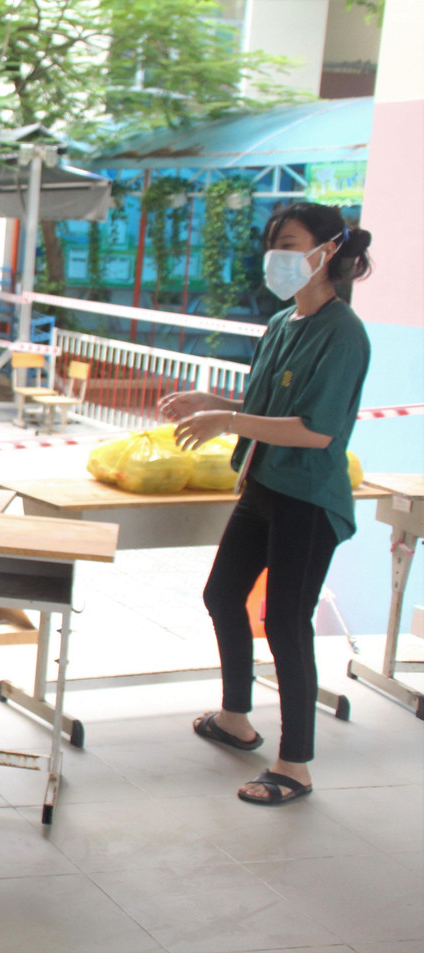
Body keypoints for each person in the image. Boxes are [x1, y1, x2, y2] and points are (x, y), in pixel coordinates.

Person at [158, 202, 373, 807]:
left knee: (284, 621)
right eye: (274, 243)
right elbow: (263, 407)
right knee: (222, 595)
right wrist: (212, 402)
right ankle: (235, 719)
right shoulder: (283, 323)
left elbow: (315, 430)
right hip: (263, 485)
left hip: (308, 497)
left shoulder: (344, 333)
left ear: (328, 251)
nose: (277, 256)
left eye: (291, 243)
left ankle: (294, 765)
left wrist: (227, 421)